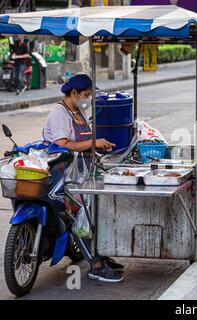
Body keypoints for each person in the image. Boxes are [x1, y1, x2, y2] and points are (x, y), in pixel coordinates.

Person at [43, 74, 124, 283]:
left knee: (99, 209)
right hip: (63, 173)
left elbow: (87, 141)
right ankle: (95, 265)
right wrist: (94, 143)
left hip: (82, 171)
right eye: (86, 95)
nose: (88, 99)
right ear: (74, 93)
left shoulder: (78, 111)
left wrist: (98, 148)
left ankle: (102, 253)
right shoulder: (59, 113)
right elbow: (63, 144)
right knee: (80, 217)